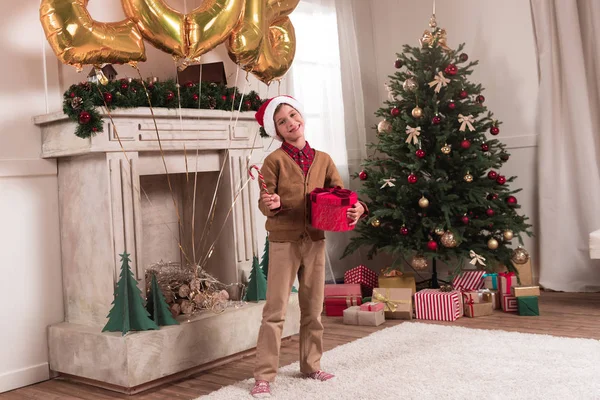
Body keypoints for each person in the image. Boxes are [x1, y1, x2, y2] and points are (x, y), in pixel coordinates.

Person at [250, 95, 366, 398]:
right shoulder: (273, 161)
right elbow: (266, 201)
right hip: (283, 242)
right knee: (274, 311)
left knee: (313, 309)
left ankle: (311, 365)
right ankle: (264, 375)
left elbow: (341, 196)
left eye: (292, 115)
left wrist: (359, 207)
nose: (290, 123)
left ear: (301, 116)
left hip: (314, 241)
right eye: (282, 122)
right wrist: (271, 204)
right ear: (276, 131)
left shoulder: (324, 159)